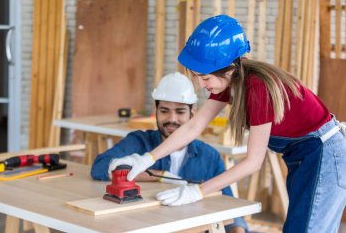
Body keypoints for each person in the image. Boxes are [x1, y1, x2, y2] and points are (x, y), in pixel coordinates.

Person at [109, 15, 346, 233]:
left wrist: (198, 192)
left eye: (205, 78)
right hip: (304, 156)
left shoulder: (258, 88)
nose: (201, 85)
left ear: (230, 70)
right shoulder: (231, 83)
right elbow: (193, 127)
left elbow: (253, 162)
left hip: (324, 154)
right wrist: (145, 159)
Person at [92, 72, 248, 233]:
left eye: (180, 112)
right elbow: (99, 167)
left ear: (192, 114)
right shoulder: (139, 142)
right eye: (165, 110)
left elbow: (231, 209)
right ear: (156, 111)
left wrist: (238, 230)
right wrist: (158, 176)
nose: (172, 119)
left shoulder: (209, 156)